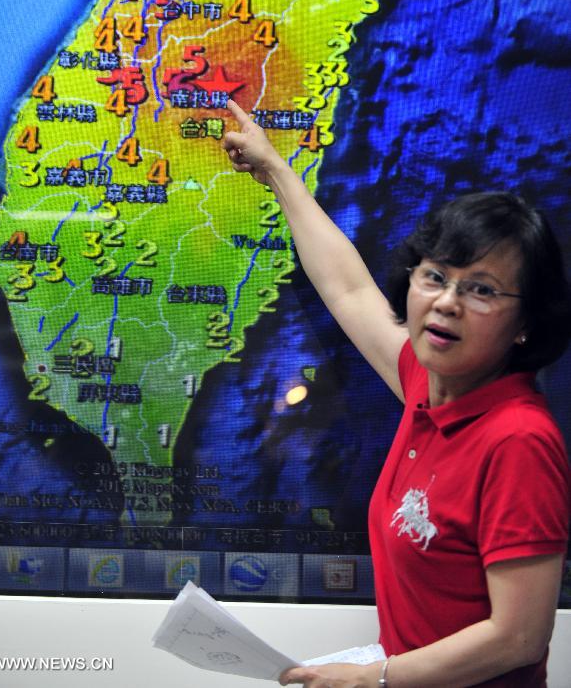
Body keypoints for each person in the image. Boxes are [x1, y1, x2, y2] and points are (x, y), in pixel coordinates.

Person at [222, 99, 571, 688]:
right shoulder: (426, 386)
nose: (447, 302)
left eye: (481, 290)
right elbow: (350, 290)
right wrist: (275, 170)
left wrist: (375, 677)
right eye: (435, 277)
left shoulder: (518, 441)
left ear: (526, 323)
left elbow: (519, 636)